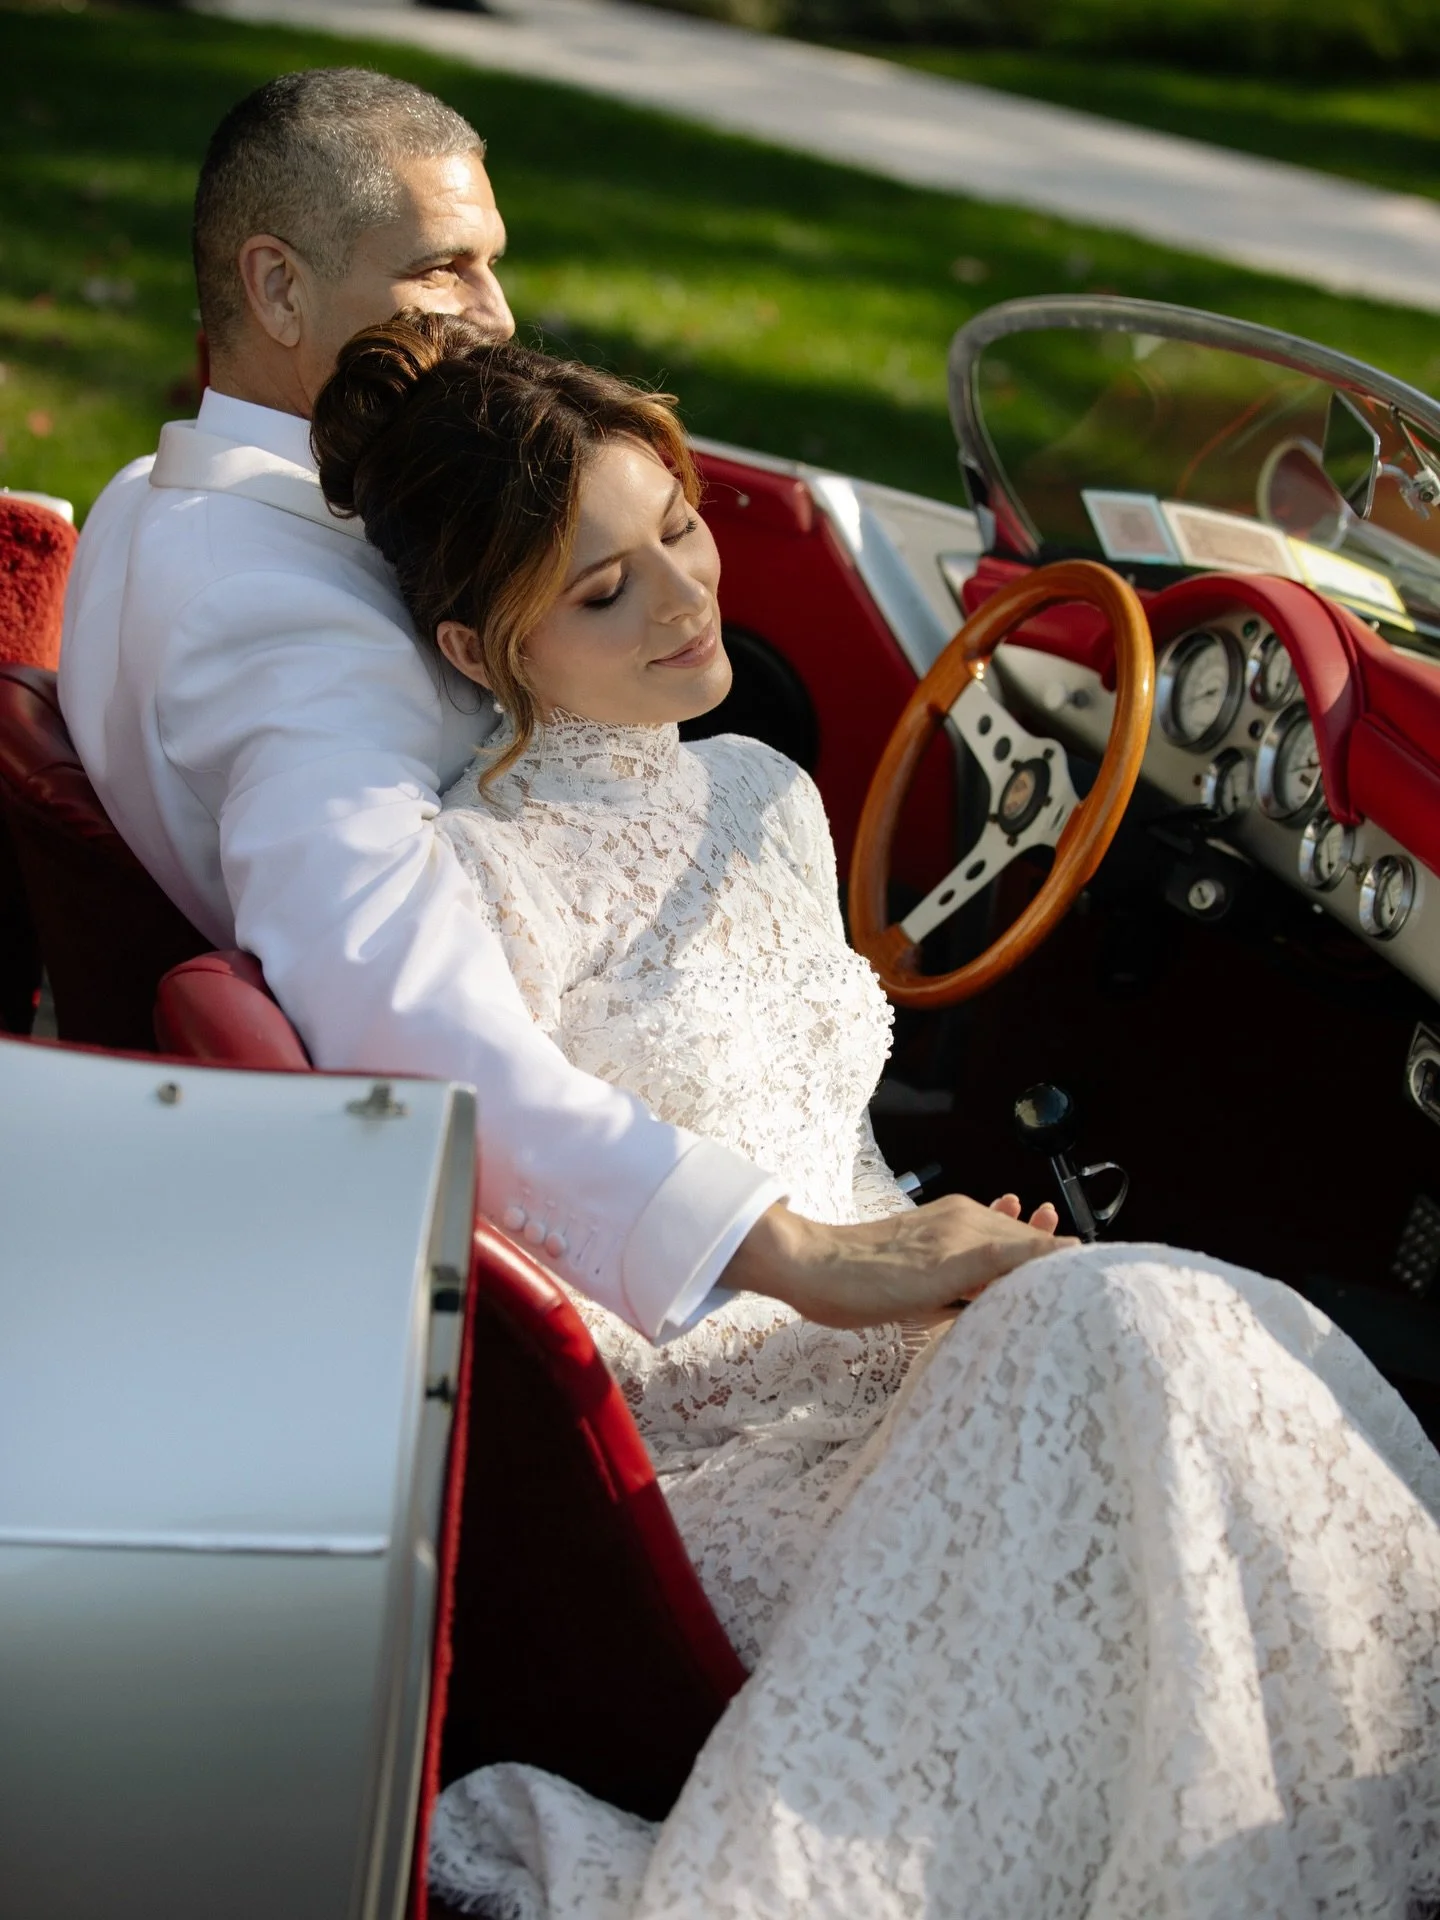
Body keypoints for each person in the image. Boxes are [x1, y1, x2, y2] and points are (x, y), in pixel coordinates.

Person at [308, 310, 1440, 1919]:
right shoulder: (479, 892)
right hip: (721, 1451)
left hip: (896, 1350)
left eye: (682, 526)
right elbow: (526, 1233)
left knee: (1164, 1335)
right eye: (602, 589)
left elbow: (833, 1136)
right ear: (482, 655)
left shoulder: (769, 797)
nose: (689, 592)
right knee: (1141, 1333)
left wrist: (938, 1248)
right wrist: (843, 1269)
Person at [58, 66, 1057, 1352]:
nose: (497, 315)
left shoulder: (163, 491)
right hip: (601, 1307)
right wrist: (798, 1251)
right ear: (278, 287)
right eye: (444, 271)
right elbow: (397, 1004)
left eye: (495, 264)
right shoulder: (279, 620)